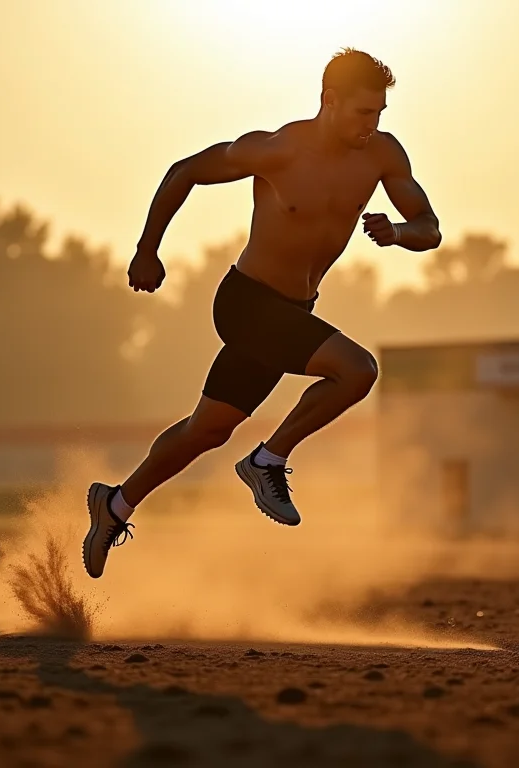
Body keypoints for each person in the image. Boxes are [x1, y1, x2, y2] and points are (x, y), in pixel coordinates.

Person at [83, 48, 441, 578]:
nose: (373, 124)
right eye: (363, 112)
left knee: (207, 431)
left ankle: (114, 504)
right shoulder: (277, 151)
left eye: (380, 113)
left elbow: (429, 227)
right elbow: (185, 172)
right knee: (358, 370)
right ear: (330, 100)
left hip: (292, 313)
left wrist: (398, 233)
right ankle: (266, 461)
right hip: (246, 303)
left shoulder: (382, 155)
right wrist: (147, 250)